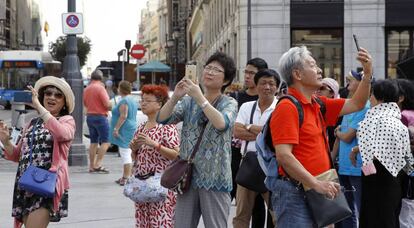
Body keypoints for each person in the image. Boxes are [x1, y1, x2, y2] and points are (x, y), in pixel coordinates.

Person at [270, 45, 374, 227]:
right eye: (312, 65)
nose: (319, 70)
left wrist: (367, 74)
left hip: (322, 186)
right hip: (297, 191)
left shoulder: (318, 103)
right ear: (297, 74)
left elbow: (357, 103)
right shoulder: (287, 107)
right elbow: (284, 156)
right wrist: (316, 184)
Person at [157, 52, 237, 228]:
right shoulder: (188, 102)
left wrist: (200, 98)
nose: (209, 72)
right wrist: (176, 96)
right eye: (208, 67)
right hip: (188, 176)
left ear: (225, 80)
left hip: (215, 178)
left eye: (216, 70)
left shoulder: (228, 102)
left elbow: (222, 123)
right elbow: (162, 119)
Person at [0, 76, 75, 228]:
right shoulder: (32, 123)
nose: (52, 97)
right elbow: (17, 155)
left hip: (46, 183)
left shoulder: (66, 120)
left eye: (58, 95)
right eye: (48, 93)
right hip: (26, 184)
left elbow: (61, 134)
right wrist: (6, 141)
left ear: (64, 102)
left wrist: (40, 108)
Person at [350, 79, 414, 228]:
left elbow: (369, 156)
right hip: (396, 179)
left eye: (372, 94)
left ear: (381, 98)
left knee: (372, 217)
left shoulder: (371, 120)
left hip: (376, 179)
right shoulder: (398, 122)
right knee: (390, 217)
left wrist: (366, 171)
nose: (370, 97)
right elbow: (406, 157)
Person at [232, 69, 280, 228]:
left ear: (277, 87)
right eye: (263, 83)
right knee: (241, 215)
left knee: (278, 214)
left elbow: (277, 135)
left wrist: (249, 126)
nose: (267, 87)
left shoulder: (281, 106)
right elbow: (237, 132)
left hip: (272, 166)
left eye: (271, 84)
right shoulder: (247, 106)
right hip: (248, 164)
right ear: (256, 85)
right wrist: (265, 133)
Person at [129, 84, 180, 227]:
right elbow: (136, 158)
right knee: (143, 222)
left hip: (161, 186)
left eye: (147, 100)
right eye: (142, 100)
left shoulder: (167, 126)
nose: (143, 103)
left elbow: (176, 155)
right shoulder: (141, 127)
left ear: (160, 104)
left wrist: (155, 144)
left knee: (161, 222)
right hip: (142, 185)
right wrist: (134, 149)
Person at [333, 70, 370, 228]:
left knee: (360, 206)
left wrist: (338, 132)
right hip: (344, 165)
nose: (347, 84)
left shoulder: (365, 107)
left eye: (350, 80)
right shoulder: (350, 103)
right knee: (347, 208)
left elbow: (347, 136)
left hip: (358, 166)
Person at [109, 81, 138, 186]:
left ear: (120, 89)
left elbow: (123, 116)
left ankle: (126, 177)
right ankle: (127, 176)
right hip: (130, 126)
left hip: (125, 129)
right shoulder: (132, 100)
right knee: (128, 151)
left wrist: (116, 129)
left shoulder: (124, 101)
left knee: (125, 152)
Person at [84, 69, 112, 173]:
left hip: (90, 117)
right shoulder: (100, 88)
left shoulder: (87, 89)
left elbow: (86, 104)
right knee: (106, 141)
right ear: (101, 79)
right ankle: (98, 164)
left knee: (93, 142)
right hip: (100, 117)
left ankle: (91, 166)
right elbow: (107, 105)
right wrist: (113, 105)